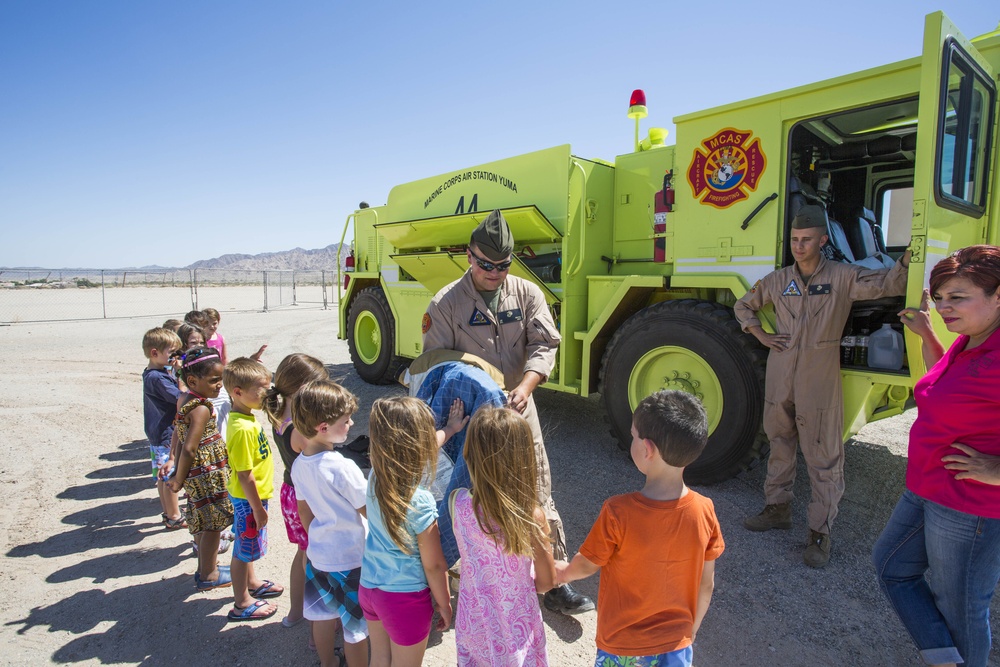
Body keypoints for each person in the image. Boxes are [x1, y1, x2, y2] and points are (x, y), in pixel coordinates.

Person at [422, 208, 593, 614]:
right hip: (472, 422)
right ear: (469, 255)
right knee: (465, 496)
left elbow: (544, 344)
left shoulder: (527, 293)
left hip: (520, 410)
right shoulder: (445, 303)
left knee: (537, 490)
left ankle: (551, 584)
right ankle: (452, 579)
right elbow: (437, 366)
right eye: (485, 264)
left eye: (502, 265)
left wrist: (527, 384)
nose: (494, 272)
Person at [734, 204, 910, 567]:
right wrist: (761, 335)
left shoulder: (845, 276)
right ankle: (777, 509)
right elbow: (743, 306)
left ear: (822, 240)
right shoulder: (778, 280)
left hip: (819, 374)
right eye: (795, 240)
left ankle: (819, 533)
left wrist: (909, 260)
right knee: (779, 443)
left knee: (823, 455)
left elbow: (890, 283)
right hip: (781, 373)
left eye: (807, 240)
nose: (799, 246)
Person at [873, 245, 1000, 667]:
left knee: (961, 610)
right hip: (926, 488)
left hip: (968, 506)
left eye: (958, 297)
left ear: (998, 295)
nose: (945, 307)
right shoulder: (969, 341)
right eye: (940, 297)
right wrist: (929, 335)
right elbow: (941, 383)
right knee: (891, 566)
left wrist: (996, 469)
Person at [555, 390, 724, 667]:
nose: (631, 439)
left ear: (647, 449)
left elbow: (587, 565)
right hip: (676, 645)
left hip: (623, 645)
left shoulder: (618, 511)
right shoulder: (704, 510)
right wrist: (690, 631)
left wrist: (562, 572)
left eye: (633, 435)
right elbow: (706, 584)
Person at [450, 407, 556, 666]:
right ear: (524, 458)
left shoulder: (458, 502)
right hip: (515, 629)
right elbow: (546, 582)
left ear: (470, 454)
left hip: (474, 621)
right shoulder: (531, 516)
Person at [360, 397, 452, 667]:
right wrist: (444, 603)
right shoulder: (420, 500)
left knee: (379, 658)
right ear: (418, 446)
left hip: (370, 588)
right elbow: (434, 565)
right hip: (404, 598)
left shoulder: (375, 476)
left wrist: (451, 429)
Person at [291, 379, 370, 667]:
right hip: (349, 558)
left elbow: (304, 512)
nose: (351, 424)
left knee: (322, 614)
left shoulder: (299, 464)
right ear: (323, 427)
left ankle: (327, 663)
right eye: (346, 421)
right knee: (355, 627)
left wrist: (312, 541)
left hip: (319, 554)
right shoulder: (342, 466)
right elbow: (366, 509)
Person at [262, 353, 329, 633]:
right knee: (315, 558)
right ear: (304, 389)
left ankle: (296, 612)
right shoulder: (301, 430)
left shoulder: (279, 415)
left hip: (291, 492)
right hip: (308, 499)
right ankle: (320, 622)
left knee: (303, 553)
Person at [166, 346, 234, 590]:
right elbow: (189, 448)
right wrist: (177, 479)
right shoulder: (202, 408)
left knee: (205, 523)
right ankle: (209, 575)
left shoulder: (186, 398)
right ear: (193, 380)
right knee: (213, 526)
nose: (220, 386)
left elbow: (180, 438)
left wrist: (179, 474)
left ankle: (207, 567)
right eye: (214, 380)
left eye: (222, 380)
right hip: (206, 476)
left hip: (197, 476)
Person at [223, 357, 285, 621]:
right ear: (238, 392)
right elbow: (244, 474)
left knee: (247, 546)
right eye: (262, 388)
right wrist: (258, 508)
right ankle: (242, 603)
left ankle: (252, 582)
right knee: (242, 549)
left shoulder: (245, 417)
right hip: (249, 500)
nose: (268, 392)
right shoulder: (241, 429)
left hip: (252, 499)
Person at [141, 327, 185, 530]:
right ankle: (174, 515)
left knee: (162, 474)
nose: (175, 357)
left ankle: (169, 512)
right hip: (167, 433)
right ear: (154, 352)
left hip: (157, 432)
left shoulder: (152, 372)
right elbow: (180, 398)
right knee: (170, 474)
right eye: (172, 353)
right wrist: (182, 378)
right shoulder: (157, 378)